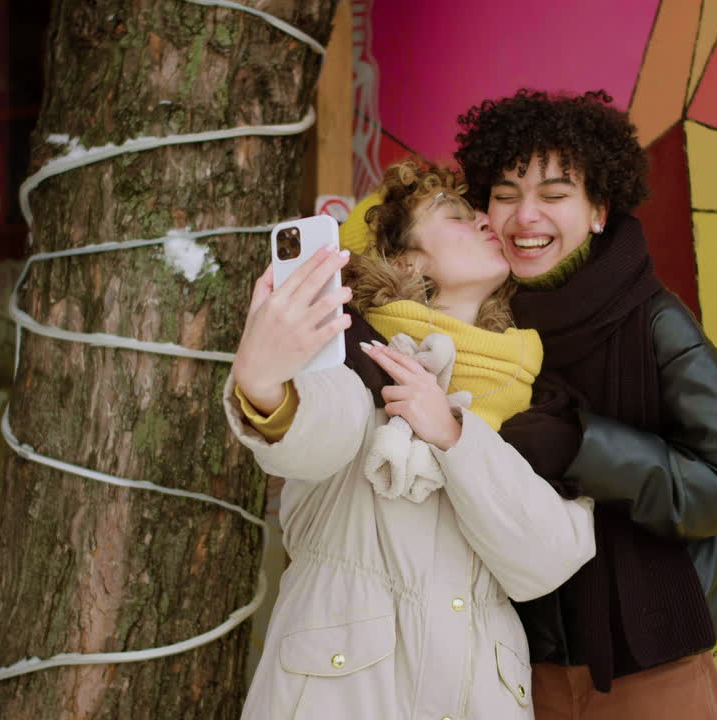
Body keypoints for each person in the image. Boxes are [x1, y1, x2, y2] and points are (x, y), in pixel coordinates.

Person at [226, 160, 596, 720]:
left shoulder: (536, 400)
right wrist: (263, 385)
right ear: (406, 261)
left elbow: (547, 561)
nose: (482, 222)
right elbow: (318, 432)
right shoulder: (354, 360)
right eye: (454, 214)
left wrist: (452, 434)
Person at [454, 89, 717, 719]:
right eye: (507, 193)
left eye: (553, 193)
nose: (526, 217)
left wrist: (582, 448)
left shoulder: (656, 322)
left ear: (598, 209)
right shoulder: (480, 324)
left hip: (651, 666)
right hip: (518, 662)